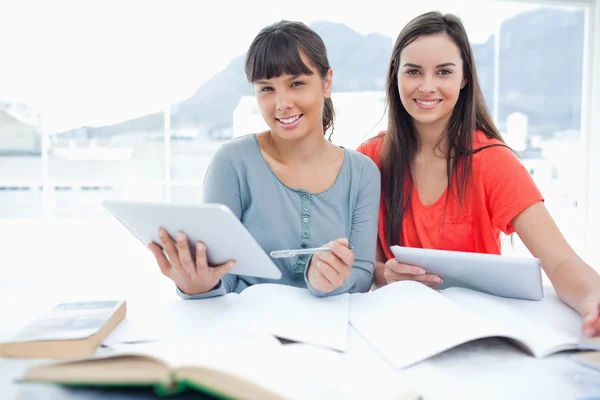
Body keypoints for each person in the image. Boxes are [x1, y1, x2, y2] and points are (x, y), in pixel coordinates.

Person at [357, 11, 600, 336]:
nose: (427, 86)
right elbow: (364, 266)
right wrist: (385, 275)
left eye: (443, 72)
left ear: (464, 77)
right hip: (401, 331)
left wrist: (593, 298)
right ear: (395, 76)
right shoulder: (369, 160)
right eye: (413, 71)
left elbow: (561, 262)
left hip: (481, 334)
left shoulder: (492, 162)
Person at [148, 20, 380, 299]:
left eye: (296, 84)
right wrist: (199, 285)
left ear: (327, 82)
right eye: (267, 89)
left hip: (332, 328)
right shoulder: (232, 163)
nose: (281, 103)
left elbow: (363, 273)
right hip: (247, 331)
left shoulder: (363, 172)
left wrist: (327, 281)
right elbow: (224, 275)